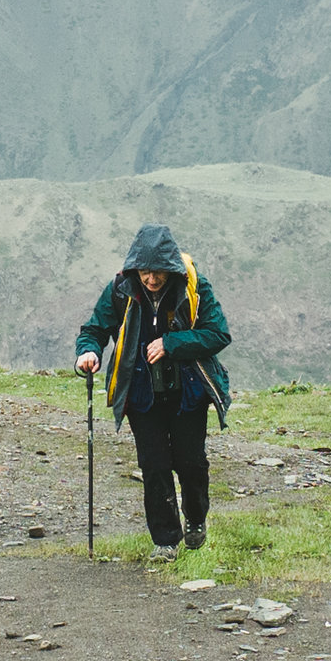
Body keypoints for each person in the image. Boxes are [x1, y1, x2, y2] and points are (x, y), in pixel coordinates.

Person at [75, 223, 232, 559]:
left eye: (158, 272)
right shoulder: (120, 290)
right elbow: (94, 329)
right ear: (135, 267)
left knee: (191, 463)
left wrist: (172, 343)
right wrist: (88, 351)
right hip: (142, 395)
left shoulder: (193, 286)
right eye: (145, 271)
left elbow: (218, 334)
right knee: (154, 465)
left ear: (171, 268)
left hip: (187, 394)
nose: (151, 280)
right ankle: (166, 541)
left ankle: (196, 517)